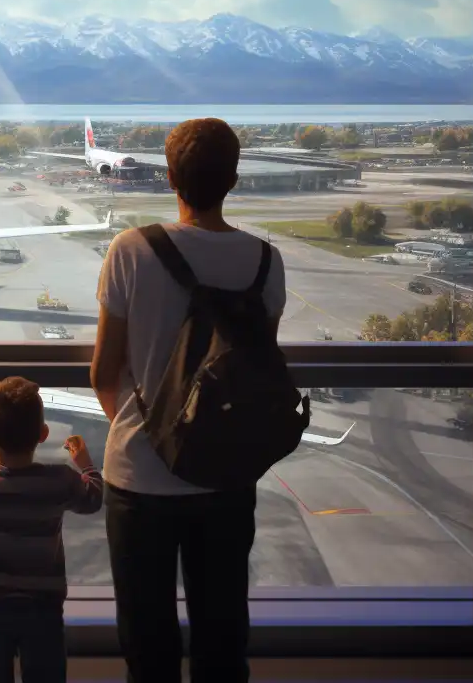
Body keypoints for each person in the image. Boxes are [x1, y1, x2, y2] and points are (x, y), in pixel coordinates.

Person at [91, 118, 285, 683]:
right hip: (225, 476)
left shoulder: (131, 250)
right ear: (233, 179)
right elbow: (254, 375)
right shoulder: (265, 263)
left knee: (147, 647)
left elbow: (104, 372)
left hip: (138, 477)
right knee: (222, 641)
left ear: (170, 177)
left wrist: (152, 436)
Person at [0, 377, 104, 683]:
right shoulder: (60, 481)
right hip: (43, 607)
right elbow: (93, 499)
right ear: (43, 434)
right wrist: (86, 465)